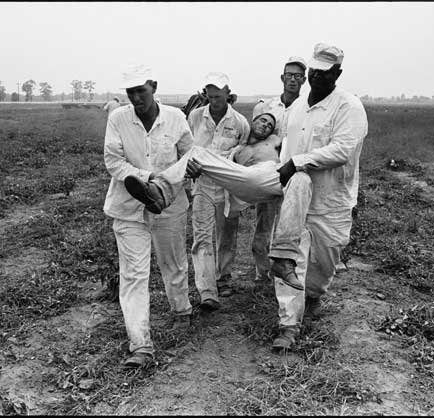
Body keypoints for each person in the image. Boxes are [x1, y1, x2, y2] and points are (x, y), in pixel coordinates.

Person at [123, 112, 306, 286]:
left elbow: (297, 144)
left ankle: (274, 266)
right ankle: (160, 191)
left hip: (270, 176)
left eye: (270, 125)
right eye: (263, 120)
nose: (265, 125)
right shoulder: (237, 149)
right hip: (244, 182)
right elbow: (217, 163)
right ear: (253, 121)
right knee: (197, 153)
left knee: (265, 231)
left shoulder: (274, 141)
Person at [268, 42, 368, 351]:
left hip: (332, 201)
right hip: (297, 198)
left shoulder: (348, 107)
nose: (316, 78)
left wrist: (296, 163)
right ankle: (288, 325)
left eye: (324, 73)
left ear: (337, 73)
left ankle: (312, 295)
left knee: (324, 264)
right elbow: (286, 147)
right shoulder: (297, 108)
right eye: (313, 72)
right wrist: (279, 173)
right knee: (290, 256)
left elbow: (342, 150)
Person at [103, 64, 194, 369]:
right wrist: (147, 177)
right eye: (130, 92)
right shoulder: (118, 119)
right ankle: (141, 345)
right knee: (133, 275)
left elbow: (189, 154)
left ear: (153, 86)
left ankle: (181, 311)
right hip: (129, 206)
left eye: (140, 91)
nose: (135, 98)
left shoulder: (175, 118)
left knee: (173, 261)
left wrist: (188, 170)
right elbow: (113, 161)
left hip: (169, 202)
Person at [186, 72, 250, 309]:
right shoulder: (195, 117)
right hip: (202, 184)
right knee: (202, 236)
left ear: (227, 94)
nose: (215, 101)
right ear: (206, 95)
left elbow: (244, 151)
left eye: (219, 96)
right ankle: (207, 291)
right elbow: (186, 146)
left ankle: (224, 277)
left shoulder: (239, 122)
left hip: (227, 186)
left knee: (227, 235)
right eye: (210, 96)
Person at [250, 56, 307, 283]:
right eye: (289, 75)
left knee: (289, 223)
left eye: (298, 76)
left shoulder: (306, 108)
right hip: (267, 171)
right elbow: (255, 137)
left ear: (304, 80)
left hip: (292, 172)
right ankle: (261, 273)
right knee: (264, 221)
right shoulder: (266, 107)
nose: (292, 80)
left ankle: (284, 272)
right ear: (282, 77)